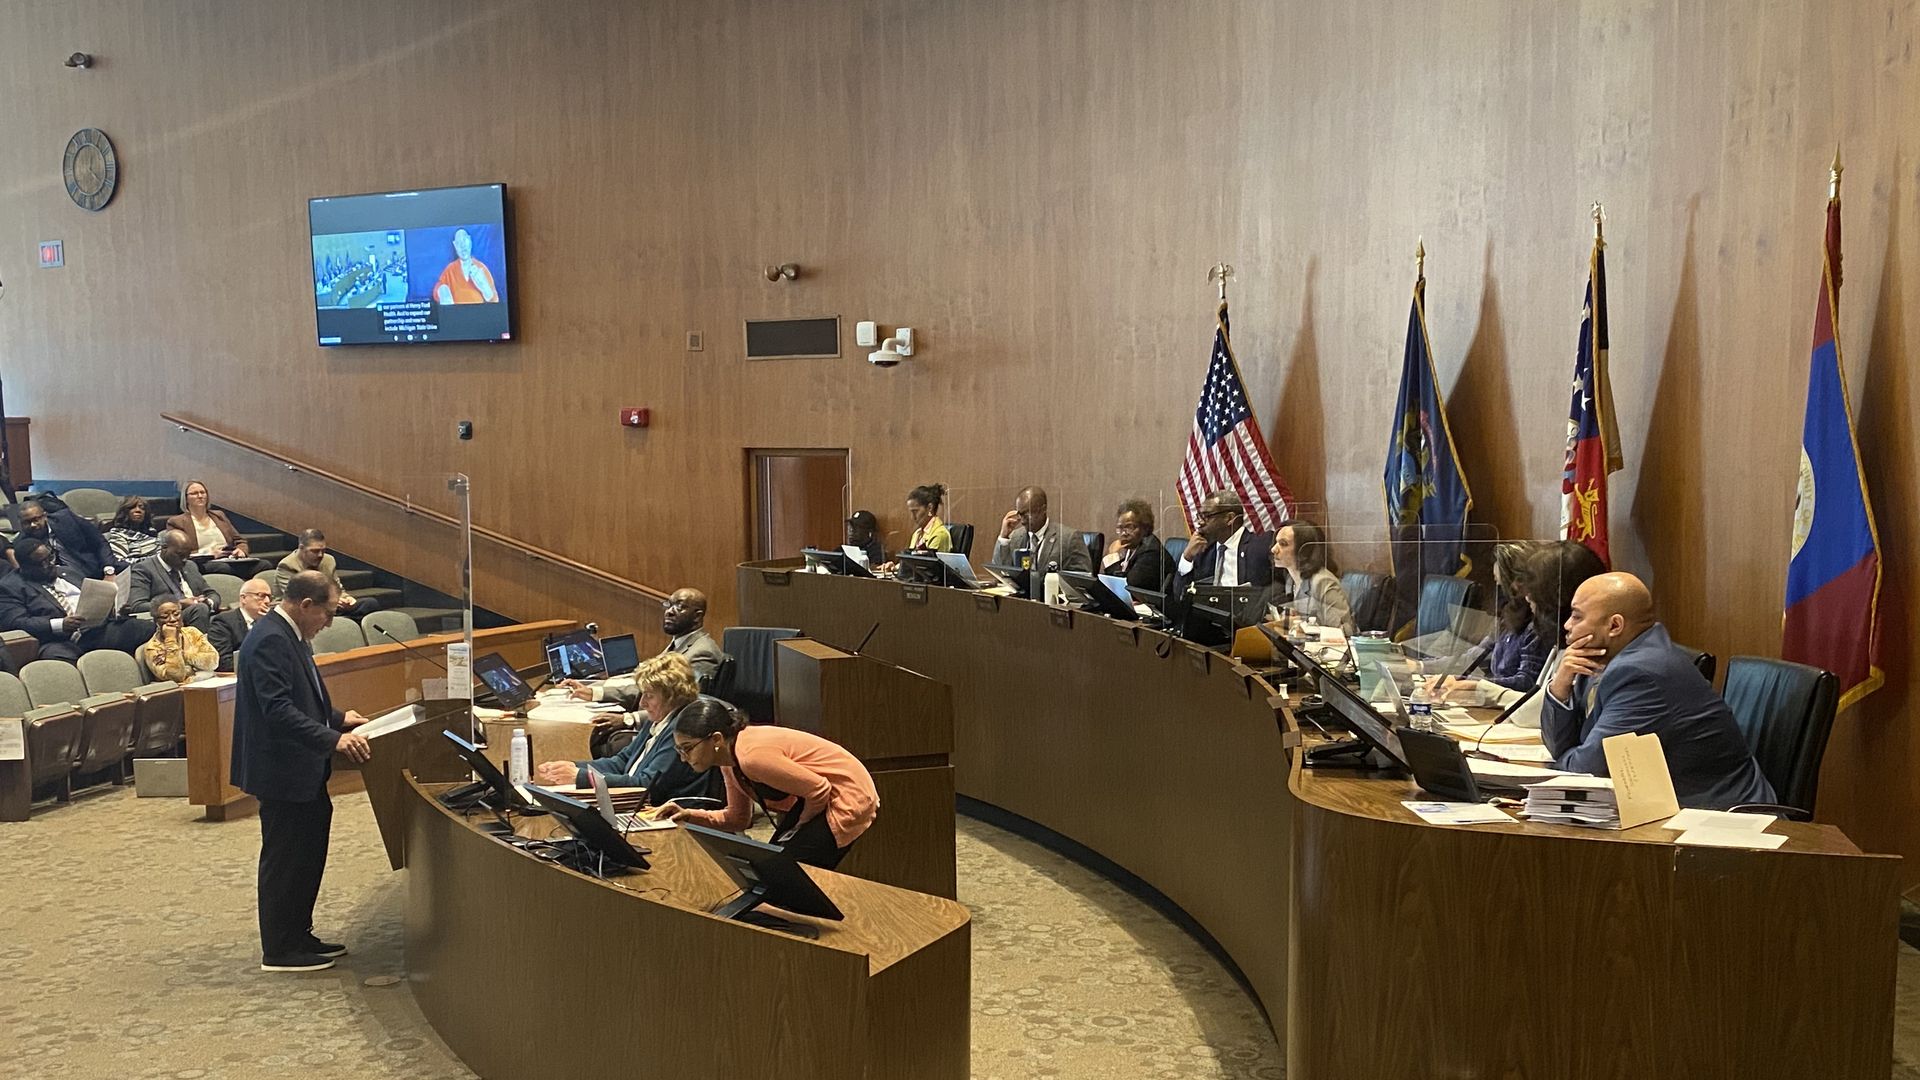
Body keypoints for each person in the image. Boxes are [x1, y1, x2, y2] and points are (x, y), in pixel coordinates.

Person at [229, 569, 372, 972]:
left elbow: (302, 693)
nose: (329, 622)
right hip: (281, 769)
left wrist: (339, 718)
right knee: (285, 859)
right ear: (306, 605)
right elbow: (277, 709)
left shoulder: (289, 634)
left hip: (302, 769)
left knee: (306, 854)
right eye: (328, 613)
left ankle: (298, 934)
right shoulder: (270, 639)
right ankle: (279, 949)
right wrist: (332, 739)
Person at [1541, 572, 1775, 810]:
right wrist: (1559, 687)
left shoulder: (1641, 673)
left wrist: (1557, 763)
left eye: (1577, 616)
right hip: (1671, 809)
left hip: (1724, 816)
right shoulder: (1596, 657)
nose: (1567, 625)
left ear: (1614, 626)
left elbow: (1588, 771)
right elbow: (1562, 748)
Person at [656, 699, 879, 870]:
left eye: (687, 748)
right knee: (771, 865)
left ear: (716, 739)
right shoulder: (729, 760)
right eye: (679, 750)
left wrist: (801, 824)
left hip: (848, 794)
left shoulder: (751, 757)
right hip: (821, 795)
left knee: (786, 872)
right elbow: (737, 818)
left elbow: (819, 790)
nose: (683, 758)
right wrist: (689, 815)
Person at [533, 653, 725, 806]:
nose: (642, 703)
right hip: (630, 801)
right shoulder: (659, 718)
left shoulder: (680, 730)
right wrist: (574, 767)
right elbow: (622, 761)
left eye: (649, 696)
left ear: (671, 696)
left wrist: (583, 778)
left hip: (657, 810)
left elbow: (646, 786)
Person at [0, 537, 153, 662]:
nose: (49, 565)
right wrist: (60, 624)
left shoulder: (68, 572)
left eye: (50, 558)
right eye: (41, 563)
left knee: (148, 628)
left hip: (98, 629)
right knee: (57, 659)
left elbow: (94, 597)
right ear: (24, 567)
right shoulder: (10, 586)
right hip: (61, 640)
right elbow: (16, 622)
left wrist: (117, 609)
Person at [565, 587, 723, 704]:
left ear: (697, 617)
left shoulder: (702, 652)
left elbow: (674, 700)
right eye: (669, 604)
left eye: (680, 607)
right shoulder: (680, 643)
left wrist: (597, 693)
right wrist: (594, 687)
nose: (669, 612)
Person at [990, 486, 1092, 598]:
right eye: (1020, 514)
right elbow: (1000, 572)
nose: (1022, 521)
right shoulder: (1016, 536)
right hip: (1021, 602)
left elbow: (1083, 581)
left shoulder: (1069, 538)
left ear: (1043, 510)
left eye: (1027, 514)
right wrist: (1003, 537)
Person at [1169, 490, 1273, 595]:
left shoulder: (1261, 546)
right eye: (1199, 516)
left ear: (1229, 518)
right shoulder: (1202, 550)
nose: (1200, 522)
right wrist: (1187, 557)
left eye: (1207, 516)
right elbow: (1179, 595)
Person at [1264, 519, 1355, 635]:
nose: (1273, 549)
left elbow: (1346, 631)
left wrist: (1303, 626)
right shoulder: (1290, 580)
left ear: (1304, 551)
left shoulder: (1323, 582)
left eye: (1283, 544)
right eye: (1276, 542)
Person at [127, 529, 223, 633]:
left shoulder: (190, 566)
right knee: (199, 609)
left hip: (199, 611)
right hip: (170, 619)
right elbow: (137, 606)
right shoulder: (144, 569)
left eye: (188, 555)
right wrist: (177, 604)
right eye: (180, 554)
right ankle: (197, 643)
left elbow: (212, 593)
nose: (184, 559)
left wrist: (208, 602)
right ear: (164, 548)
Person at [165, 479, 260, 577]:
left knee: (263, 565)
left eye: (202, 492)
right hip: (203, 562)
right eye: (194, 493)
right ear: (186, 499)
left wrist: (241, 550)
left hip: (229, 558)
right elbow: (178, 552)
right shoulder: (177, 522)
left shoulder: (219, 516)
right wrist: (209, 554)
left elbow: (239, 540)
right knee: (224, 568)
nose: (200, 496)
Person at [273, 530, 379, 617]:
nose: (320, 555)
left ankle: (339, 622)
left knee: (370, 603)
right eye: (315, 551)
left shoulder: (329, 560)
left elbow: (337, 588)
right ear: (301, 548)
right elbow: (297, 598)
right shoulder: (287, 565)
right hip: (304, 609)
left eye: (323, 551)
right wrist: (331, 602)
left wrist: (347, 598)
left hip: (331, 606)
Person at [17, 498, 121, 579]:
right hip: (65, 584)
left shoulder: (66, 518)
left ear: (44, 516)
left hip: (96, 569)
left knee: (129, 572)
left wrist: (109, 570)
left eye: (36, 519)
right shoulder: (22, 545)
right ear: (20, 523)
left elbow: (99, 542)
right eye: (26, 522)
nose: (33, 525)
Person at [1098, 498, 1172, 593]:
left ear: (1145, 528)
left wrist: (1112, 559)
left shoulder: (1152, 553)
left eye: (1130, 527)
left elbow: (1127, 588)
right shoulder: (1132, 547)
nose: (1123, 533)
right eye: (1120, 528)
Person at [142, 599, 219, 683]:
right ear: (156, 621)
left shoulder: (192, 632)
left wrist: (183, 655)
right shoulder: (152, 648)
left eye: (176, 614)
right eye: (165, 617)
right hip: (180, 689)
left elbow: (213, 662)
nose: (172, 619)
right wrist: (170, 640)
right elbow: (176, 677)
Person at [210, 576, 274, 671]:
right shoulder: (223, 622)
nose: (267, 601)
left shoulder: (270, 623)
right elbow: (223, 662)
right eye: (261, 596)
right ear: (244, 598)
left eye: (269, 597)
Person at [432, 228, 499, 304]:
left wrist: (485, 288)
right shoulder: (450, 269)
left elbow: (495, 300)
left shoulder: (481, 268)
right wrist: (441, 290)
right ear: (455, 246)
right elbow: (438, 287)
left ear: (470, 241)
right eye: (459, 243)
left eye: (464, 240)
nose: (462, 245)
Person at [104, 495, 164, 566]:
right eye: (132, 507)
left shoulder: (152, 533)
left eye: (142, 508)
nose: (138, 510)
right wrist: (152, 561)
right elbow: (120, 562)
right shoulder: (118, 535)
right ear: (124, 512)